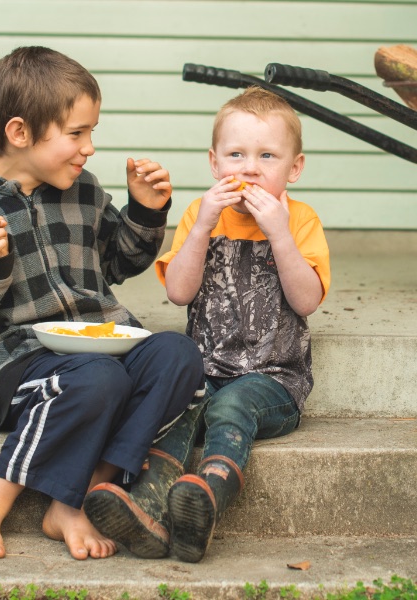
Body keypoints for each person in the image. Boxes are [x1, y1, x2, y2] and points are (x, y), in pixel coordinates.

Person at [0, 46, 205, 562]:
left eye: (92, 132)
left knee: (179, 355)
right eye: (76, 133)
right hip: (25, 359)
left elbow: (119, 261)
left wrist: (145, 209)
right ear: (20, 133)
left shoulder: (83, 191)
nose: (89, 148)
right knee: (98, 380)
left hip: (103, 345)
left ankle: (84, 494)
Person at [83, 86, 331, 562]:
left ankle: (208, 500)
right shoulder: (202, 215)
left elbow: (307, 300)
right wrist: (200, 229)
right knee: (180, 413)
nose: (250, 167)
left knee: (232, 404)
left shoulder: (300, 221)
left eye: (267, 156)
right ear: (215, 164)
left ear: (293, 169)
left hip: (274, 380)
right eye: (236, 154)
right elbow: (179, 292)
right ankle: (146, 509)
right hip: (207, 370)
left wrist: (279, 233)